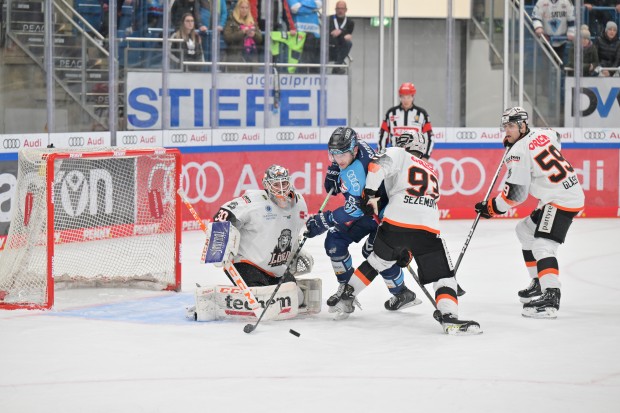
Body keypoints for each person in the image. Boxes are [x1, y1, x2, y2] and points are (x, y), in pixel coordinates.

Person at [331, 132, 482, 334]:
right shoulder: (431, 169)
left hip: (396, 220)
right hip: (427, 226)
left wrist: (370, 194)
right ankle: (449, 317)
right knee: (444, 277)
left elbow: (376, 166)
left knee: (376, 261)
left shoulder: (398, 153)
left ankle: (346, 296)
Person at [474, 107, 585, 319]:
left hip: (561, 200)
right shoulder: (544, 134)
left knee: (543, 245)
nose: (507, 130)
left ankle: (551, 295)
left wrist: (491, 208)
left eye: (511, 126)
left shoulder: (517, 152)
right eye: (505, 126)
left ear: (523, 126)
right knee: (524, 231)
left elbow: (516, 195)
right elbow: (557, 136)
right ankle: (538, 281)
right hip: (562, 194)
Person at [305, 127, 420, 318]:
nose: (338, 158)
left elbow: (354, 209)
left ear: (354, 150)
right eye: (333, 154)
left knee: (376, 253)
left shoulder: (355, 175)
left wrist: (324, 220)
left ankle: (401, 293)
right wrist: (335, 168)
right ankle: (346, 287)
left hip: (382, 215)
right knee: (334, 242)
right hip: (368, 209)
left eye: (342, 154)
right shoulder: (359, 147)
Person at [187, 165, 320, 321]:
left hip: (276, 268)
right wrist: (220, 245)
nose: (282, 189)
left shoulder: (299, 203)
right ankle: (212, 303)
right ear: (267, 185)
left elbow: (290, 230)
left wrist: (295, 249)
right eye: (276, 184)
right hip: (246, 263)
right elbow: (222, 215)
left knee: (296, 298)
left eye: (284, 183)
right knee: (264, 301)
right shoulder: (252, 201)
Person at [378, 82, 434, 157]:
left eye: (408, 97)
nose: (406, 100)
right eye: (403, 97)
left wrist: (426, 156)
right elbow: (383, 136)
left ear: (413, 97)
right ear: (400, 97)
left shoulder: (422, 114)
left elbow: (429, 137)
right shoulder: (391, 113)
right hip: (395, 156)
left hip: (416, 157)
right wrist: (382, 155)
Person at [223, 0, 263, 72]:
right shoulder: (231, 20)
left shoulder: (252, 21)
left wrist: (254, 35)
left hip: (251, 57)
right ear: (238, 8)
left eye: (246, 8)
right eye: (242, 8)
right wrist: (242, 32)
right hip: (236, 57)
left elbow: (260, 39)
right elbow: (227, 37)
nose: (244, 10)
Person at [290, 0, 321, 73]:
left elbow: (319, 4)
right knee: (297, 57)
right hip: (298, 32)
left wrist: (301, 5)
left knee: (312, 57)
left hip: (314, 33)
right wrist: (312, 8)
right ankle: (301, 73)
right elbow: (295, 8)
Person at [329, 0, 354, 74]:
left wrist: (340, 32)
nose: (340, 10)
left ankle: (336, 67)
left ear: (346, 10)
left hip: (340, 48)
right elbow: (327, 33)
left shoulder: (350, 22)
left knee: (348, 43)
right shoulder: (329, 19)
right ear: (335, 9)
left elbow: (348, 36)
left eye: (342, 9)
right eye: (338, 8)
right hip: (329, 47)